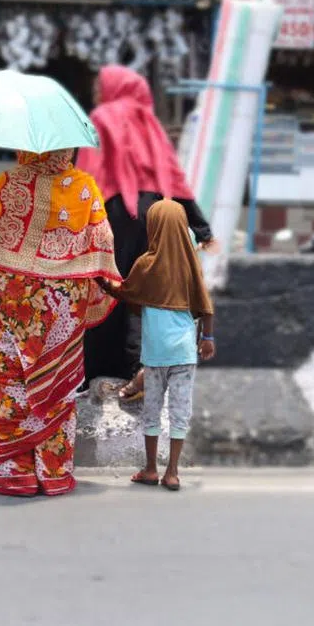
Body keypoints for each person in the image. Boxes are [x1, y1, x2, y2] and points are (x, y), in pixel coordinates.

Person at [0, 150, 121, 497]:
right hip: (62, 307)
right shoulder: (84, 187)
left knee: (12, 383)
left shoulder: (10, 182)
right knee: (57, 386)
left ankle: (13, 473)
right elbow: (103, 243)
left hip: (14, 307)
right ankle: (52, 472)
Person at [79, 64, 214, 399]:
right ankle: (136, 370)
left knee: (103, 285)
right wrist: (201, 227)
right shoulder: (149, 122)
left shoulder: (101, 117)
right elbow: (173, 177)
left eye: (100, 86)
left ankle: (95, 369)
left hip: (112, 211)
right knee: (144, 291)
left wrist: (75, 221)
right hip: (154, 212)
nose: (97, 92)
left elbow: (89, 169)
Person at [97, 199, 215, 492]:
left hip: (154, 356)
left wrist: (103, 283)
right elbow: (206, 305)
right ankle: (172, 472)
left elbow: (125, 292)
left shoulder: (146, 264)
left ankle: (150, 468)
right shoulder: (191, 265)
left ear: (154, 227)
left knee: (151, 411)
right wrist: (207, 338)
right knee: (179, 411)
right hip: (184, 354)